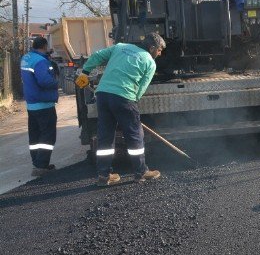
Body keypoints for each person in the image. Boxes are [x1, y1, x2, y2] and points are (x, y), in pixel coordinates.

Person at [75, 33, 165, 187]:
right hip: (124, 97)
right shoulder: (150, 62)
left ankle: (104, 175)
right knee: (135, 135)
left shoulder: (120, 47)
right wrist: (132, 102)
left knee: (105, 135)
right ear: (152, 48)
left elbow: (97, 56)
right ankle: (141, 171)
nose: (160, 53)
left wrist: (85, 72)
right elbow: (142, 87)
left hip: (102, 95)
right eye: (159, 50)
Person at [20, 37, 59, 177]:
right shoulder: (40, 61)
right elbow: (45, 81)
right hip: (44, 103)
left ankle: (37, 162)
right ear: (44, 45)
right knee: (48, 136)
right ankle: (41, 166)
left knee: (35, 135)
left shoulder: (26, 57)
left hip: (32, 104)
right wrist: (56, 82)